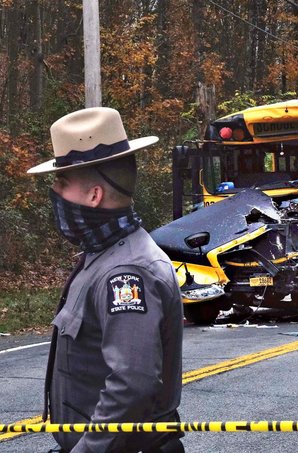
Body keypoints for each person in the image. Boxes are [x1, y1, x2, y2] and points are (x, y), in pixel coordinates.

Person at [27, 108, 184, 452]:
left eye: (62, 182)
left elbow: (131, 386)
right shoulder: (104, 255)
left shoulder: (126, 273)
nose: (54, 192)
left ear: (94, 196)